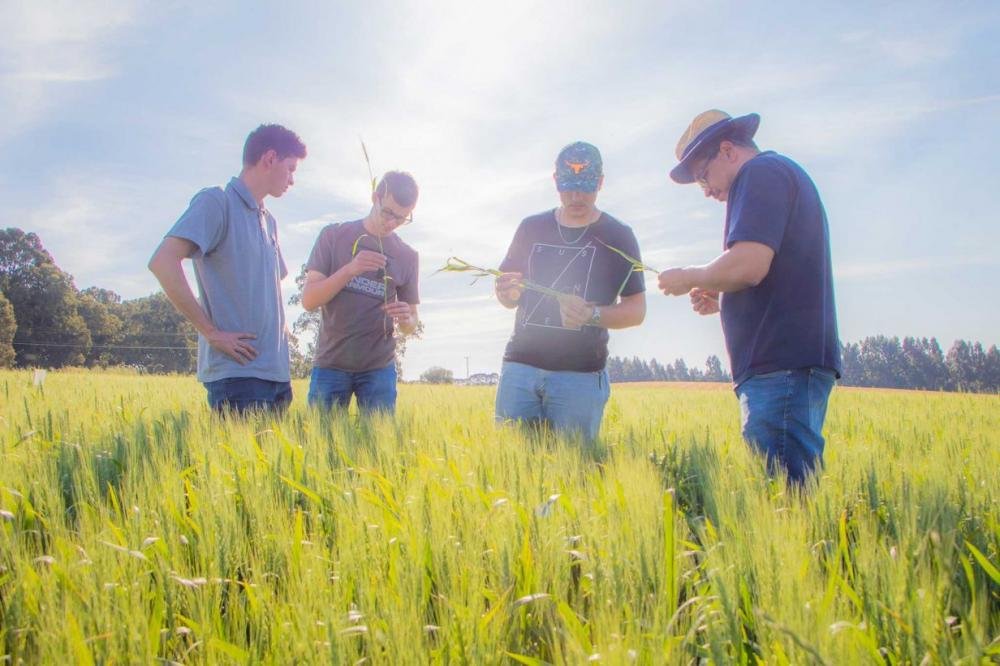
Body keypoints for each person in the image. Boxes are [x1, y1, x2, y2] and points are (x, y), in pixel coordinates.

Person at [660, 109, 841, 484]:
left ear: (727, 150)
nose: (706, 191)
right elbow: (763, 270)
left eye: (703, 176)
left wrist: (689, 277)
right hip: (787, 362)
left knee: (785, 499)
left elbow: (749, 264)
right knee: (787, 492)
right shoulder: (776, 175)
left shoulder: (760, 174)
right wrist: (721, 292)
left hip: (780, 365)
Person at [149, 124, 306, 414]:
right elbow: (162, 261)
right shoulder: (216, 201)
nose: (292, 180)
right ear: (270, 159)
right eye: (291, 168)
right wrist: (211, 332)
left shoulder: (270, 221)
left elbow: (269, 287)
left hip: (277, 375)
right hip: (238, 376)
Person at [494, 142, 646, 442]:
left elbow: (636, 311)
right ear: (555, 182)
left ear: (601, 182)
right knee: (511, 472)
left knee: (575, 473)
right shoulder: (530, 227)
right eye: (568, 188)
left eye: (585, 188)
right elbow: (507, 296)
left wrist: (592, 315)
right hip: (519, 369)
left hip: (580, 377)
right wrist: (506, 293)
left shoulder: (619, 236)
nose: (576, 197)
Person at [301, 171, 419, 413]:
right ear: (375, 197)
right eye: (388, 212)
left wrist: (407, 318)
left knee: (377, 447)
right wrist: (350, 270)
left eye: (402, 218)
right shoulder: (333, 236)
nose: (392, 223)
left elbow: (412, 323)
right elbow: (309, 300)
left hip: (379, 368)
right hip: (331, 364)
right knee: (322, 446)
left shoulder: (408, 255)